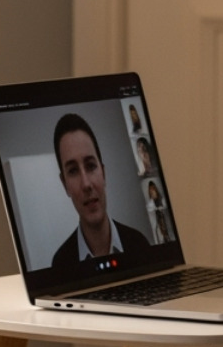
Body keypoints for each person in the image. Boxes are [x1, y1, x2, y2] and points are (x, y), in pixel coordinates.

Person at [50, 113, 152, 276]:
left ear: (103, 173)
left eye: (90, 166)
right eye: (73, 171)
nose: (86, 184)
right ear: (65, 185)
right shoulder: (60, 265)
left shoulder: (139, 244)